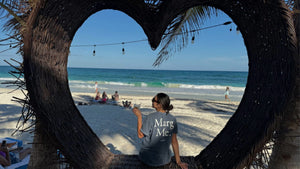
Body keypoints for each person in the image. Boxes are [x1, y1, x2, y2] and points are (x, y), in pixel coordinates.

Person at [132, 93, 188, 169]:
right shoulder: (172, 119)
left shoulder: (150, 117)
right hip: (164, 159)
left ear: (159, 104)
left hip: (148, 159)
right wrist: (178, 161)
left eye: (153, 100)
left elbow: (140, 135)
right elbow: (174, 141)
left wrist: (139, 117)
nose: (152, 101)